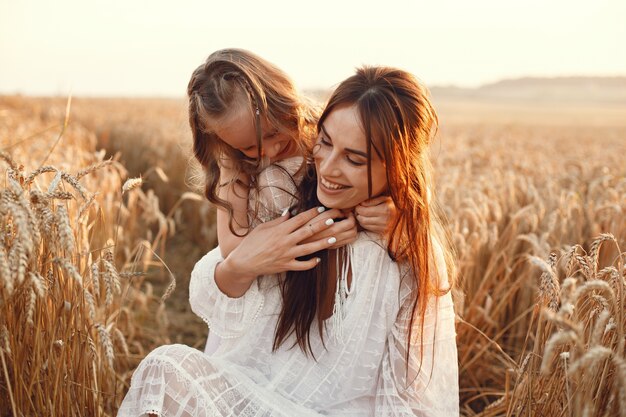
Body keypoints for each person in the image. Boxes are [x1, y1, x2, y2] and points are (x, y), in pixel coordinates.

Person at [118, 66, 458, 416]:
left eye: (354, 159)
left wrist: (408, 217)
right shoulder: (287, 190)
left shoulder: (405, 249)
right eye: (324, 142)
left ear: (398, 168)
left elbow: (413, 398)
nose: (326, 168)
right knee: (163, 368)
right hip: (265, 394)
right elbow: (217, 293)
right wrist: (244, 263)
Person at [186, 48, 396, 355]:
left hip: (331, 301)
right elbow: (232, 249)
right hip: (266, 309)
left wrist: (392, 210)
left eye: (273, 132)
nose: (270, 151)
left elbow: (378, 177)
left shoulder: (324, 140)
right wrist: (319, 231)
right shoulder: (233, 167)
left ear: (284, 98)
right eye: (249, 147)